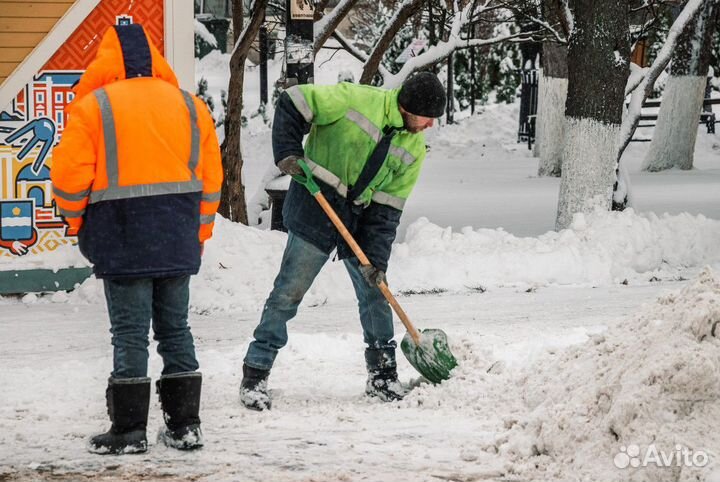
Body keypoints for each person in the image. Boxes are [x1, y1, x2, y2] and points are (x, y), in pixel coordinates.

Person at [50, 24, 223, 454]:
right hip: (178, 237)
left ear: (107, 61)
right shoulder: (190, 106)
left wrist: (80, 225)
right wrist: (198, 233)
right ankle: (185, 427)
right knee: (176, 329)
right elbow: (210, 181)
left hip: (122, 235)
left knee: (129, 334)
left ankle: (129, 431)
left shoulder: (94, 107)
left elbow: (69, 181)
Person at [240, 72, 446, 410]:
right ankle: (256, 372)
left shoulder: (414, 149)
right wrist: (288, 152)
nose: (430, 126)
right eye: (428, 118)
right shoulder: (354, 99)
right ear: (410, 107)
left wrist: (376, 261)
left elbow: (387, 209)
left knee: (375, 293)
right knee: (288, 292)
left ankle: (382, 376)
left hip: (359, 219)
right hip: (315, 202)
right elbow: (292, 102)